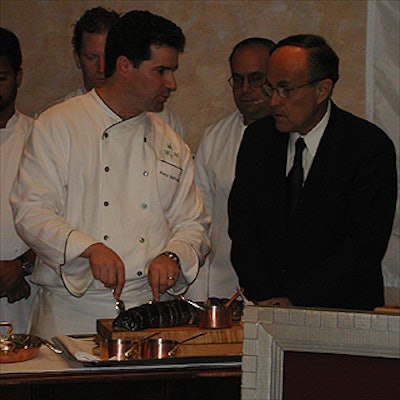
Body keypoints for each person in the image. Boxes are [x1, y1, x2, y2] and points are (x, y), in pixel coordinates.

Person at [11, 10, 210, 339]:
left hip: (149, 313)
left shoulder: (168, 140)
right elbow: (31, 210)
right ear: (124, 66)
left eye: (172, 71)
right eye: (161, 70)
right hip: (72, 314)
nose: (171, 83)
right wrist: (88, 249)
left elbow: (194, 223)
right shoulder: (59, 124)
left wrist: (173, 255)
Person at [228, 34, 397, 311]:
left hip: (341, 313)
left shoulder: (367, 147)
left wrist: (297, 302)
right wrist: (267, 297)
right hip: (269, 309)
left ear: (322, 90)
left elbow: (363, 244)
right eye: (270, 87)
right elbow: (243, 227)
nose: (273, 102)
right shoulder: (259, 139)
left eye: (285, 89)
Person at [186, 37, 275, 301]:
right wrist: (199, 292)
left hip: (275, 293)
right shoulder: (215, 137)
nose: (246, 89)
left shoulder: (293, 139)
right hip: (221, 289)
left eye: (256, 78)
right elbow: (200, 217)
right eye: (238, 80)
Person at [38, 6, 184, 137]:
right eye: (91, 57)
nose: (102, 68)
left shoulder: (165, 122)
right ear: (77, 59)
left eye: (108, 57)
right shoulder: (55, 121)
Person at [0, 27, 37, 333]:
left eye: (1, 78)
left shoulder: (40, 137)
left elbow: (66, 216)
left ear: (19, 77)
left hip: (24, 294)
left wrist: (20, 267)